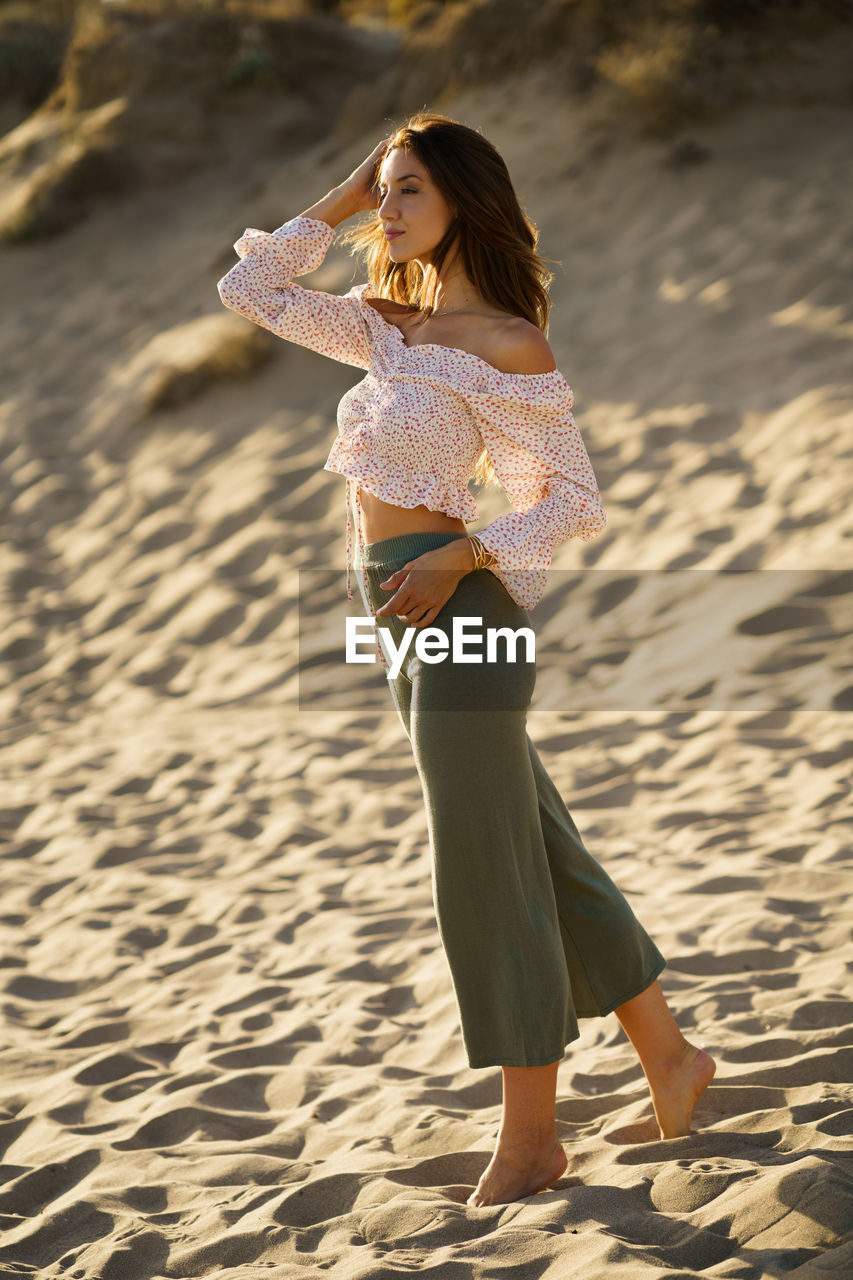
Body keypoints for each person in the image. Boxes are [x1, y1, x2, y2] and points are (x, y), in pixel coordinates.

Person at [217, 110, 716, 1208]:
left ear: (462, 207)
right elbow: (245, 295)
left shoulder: (507, 345)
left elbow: (570, 502)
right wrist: (344, 193)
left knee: (480, 865)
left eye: (408, 194)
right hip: (393, 603)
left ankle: (530, 1135)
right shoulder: (387, 328)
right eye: (385, 192)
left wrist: (462, 551)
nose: (388, 212)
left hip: (463, 610)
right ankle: (671, 1059)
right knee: (534, 840)